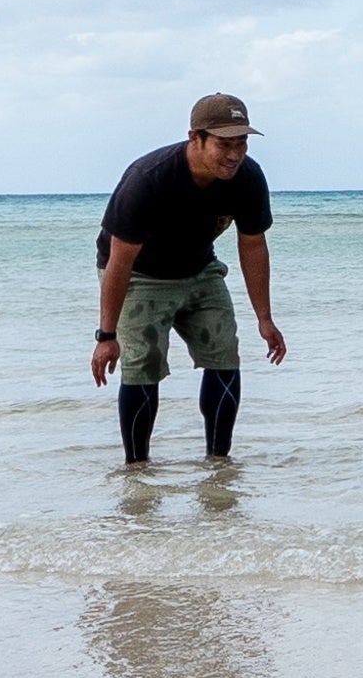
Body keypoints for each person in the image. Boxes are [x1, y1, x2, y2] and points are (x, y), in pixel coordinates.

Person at [90, 93, 283, 468]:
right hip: (140, 274)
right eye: (224, 144)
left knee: (225, 353)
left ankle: (218, 466)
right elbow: (118, 262)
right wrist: (107, 336)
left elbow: (254, 246)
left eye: (241, 143)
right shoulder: (148, 180)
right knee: (143, 363)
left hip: (199, 268)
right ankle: (137, 470)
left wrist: (265, 318)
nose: (234, 155)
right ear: (195, 138)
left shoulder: (247, 177)